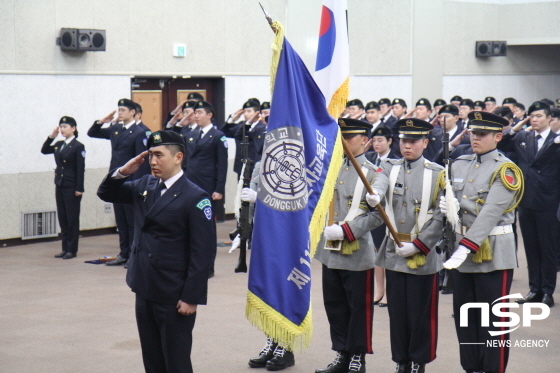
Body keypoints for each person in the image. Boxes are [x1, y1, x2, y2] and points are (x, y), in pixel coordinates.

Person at [97, 130, 215, 373]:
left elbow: (202, 252)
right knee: (152, 359)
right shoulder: (145, 184)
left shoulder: (195, 197)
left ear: (178, 157)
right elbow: (106, 193)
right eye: (150, 155)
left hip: (173, 291)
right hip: (144, 284)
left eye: (159, 155)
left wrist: (192, 296)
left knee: (176, 360)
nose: (152, 161)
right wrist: (123, 172)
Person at [440, 111, 524, 373]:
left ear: (498, 137)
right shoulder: (459, 163)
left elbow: (491, 212)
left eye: (483, 134)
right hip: (460, 251)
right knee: (466, 318)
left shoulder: (506, 169)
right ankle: (471, 367)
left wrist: (465, 246)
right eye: (473, 132)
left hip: (492, 252)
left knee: (493, 322)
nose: (475, 138)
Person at [367, 118, 444, 373]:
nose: (407, 146)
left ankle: (418, 361)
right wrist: (375, 194)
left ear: (425, 142)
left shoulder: (437, 173)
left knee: (420, 313)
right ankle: (401, 360)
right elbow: (380, 182)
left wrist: (420, 245)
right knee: (397, 313)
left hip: (421, 252)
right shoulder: (389, 166)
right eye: (403, 141)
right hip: (394, 251)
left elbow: (440, 216)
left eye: (413, 141)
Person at [314, 118, 377, 373]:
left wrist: (347, 230)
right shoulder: (330, 169)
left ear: (365, 141)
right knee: (335, 306)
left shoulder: (373, 172)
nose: (344, 141)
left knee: (358, 308)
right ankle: (341, 352)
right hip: (330, 251)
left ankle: (357, 356)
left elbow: (377, 215)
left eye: (349, 137)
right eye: (342, 136)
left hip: (357, 251)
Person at [498, 101, 560, 307]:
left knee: (547, 249)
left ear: (550, 118)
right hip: (526, 200)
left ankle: (547, 292)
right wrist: (517, 126)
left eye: (539, 116)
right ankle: (534, 289)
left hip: (548, 202)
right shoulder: (523, 137)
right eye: (532, 116)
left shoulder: (556, 140)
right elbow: (502, 143)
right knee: (532, 249)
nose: (534, 119)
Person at [235, 162, 296, 371]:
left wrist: (259, 199)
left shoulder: (295, 163)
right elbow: (249, 203)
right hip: (263, 237)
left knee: (284, 292)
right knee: (267, 291)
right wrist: (242, 229)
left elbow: (291, 204)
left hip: (287, 238)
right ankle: (272, 341)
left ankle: (286, 346)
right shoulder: (262, 164)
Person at [88, 98, 151, 266]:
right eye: (119, 109)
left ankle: (133, 255)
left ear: (133, 113)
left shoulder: (140, 132)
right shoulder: (115, 129)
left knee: (132, 222)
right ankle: (123, 253)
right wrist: (102, 121)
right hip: (117, 180)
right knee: (121, 221)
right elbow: (92, 133)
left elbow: (142, 161)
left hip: (131, 182)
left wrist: (140, 186)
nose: (120, 112)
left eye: (123, 110)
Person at [187, 100, 228, 277]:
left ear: (209, 115)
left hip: (208, 187)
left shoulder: (218, 136)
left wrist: (219, 189)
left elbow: (222, 165)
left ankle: (208, 266)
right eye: (195, 113)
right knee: (189, 227)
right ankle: (191, 263)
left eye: (200, 113)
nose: (196, 116)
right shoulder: (191, 134)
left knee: (207, 229)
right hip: (190, 185)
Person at [41, 116, 85, 259]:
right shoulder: (59, 144)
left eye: (65, 126)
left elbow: (80, 169)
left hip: (72, 186)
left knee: (72, 218)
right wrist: (51, 137)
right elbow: (44, 150)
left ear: (73, 128)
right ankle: (65, 247)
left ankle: (72, 249)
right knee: (63, 217)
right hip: (60, 184)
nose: (62, 129)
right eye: (61, 127)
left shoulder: (78, 146)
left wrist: (80, 188)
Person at [365, 125, 399, 307]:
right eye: (374, 140)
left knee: (388, 252)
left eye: (380, 140)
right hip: (374, 211)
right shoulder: (370, 158)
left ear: (390, 141)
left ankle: (388, 292)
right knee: (377, 252)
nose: (376, 144)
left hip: (390, 210)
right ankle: (379, 290)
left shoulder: (396, 161)